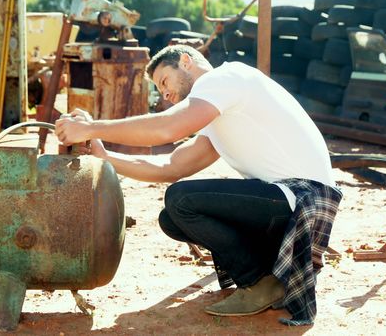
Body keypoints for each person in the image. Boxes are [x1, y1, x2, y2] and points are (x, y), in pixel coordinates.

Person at [55, 45, 342, 326]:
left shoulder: (225, 78)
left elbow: (168, 127)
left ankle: (260, 283)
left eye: (164, 81)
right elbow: (172, 167)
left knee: (181, 200)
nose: (165, 94)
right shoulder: (218, 115)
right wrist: (105, 157)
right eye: (159, 90)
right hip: (293, 202)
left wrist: (92, 128)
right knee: (172, 218)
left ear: (185, 60)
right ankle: (269, 274)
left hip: (305, 197)